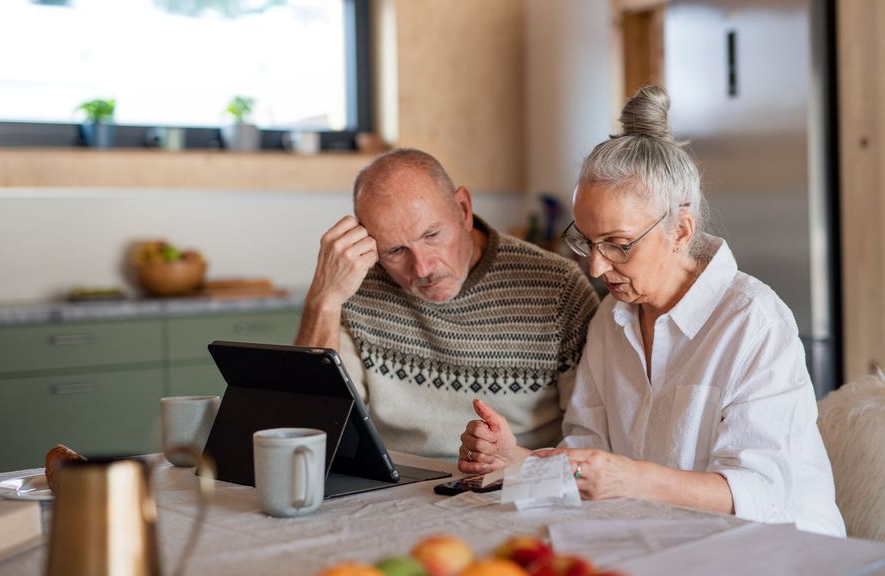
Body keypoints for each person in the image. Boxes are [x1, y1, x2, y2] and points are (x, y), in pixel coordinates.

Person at [457, 86, 846, 537]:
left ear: (680, 231)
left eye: (619, 246)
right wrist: (516, 461)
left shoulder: (753, 322)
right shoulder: (612, 319)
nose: (598, 267)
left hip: (781, 552)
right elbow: (588, 460)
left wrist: (631, 479)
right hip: (663, 540)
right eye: (585, 241)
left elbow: (761, 493)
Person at [295, 148, 599, 460]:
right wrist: (323, 300)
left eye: (432, 235)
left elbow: (591, 441)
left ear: (464, 209)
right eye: (395, 251)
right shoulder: (356, 285)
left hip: (517, 485)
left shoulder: (558, 286)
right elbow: (312, 429)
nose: (423, 268)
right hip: (394, 488)